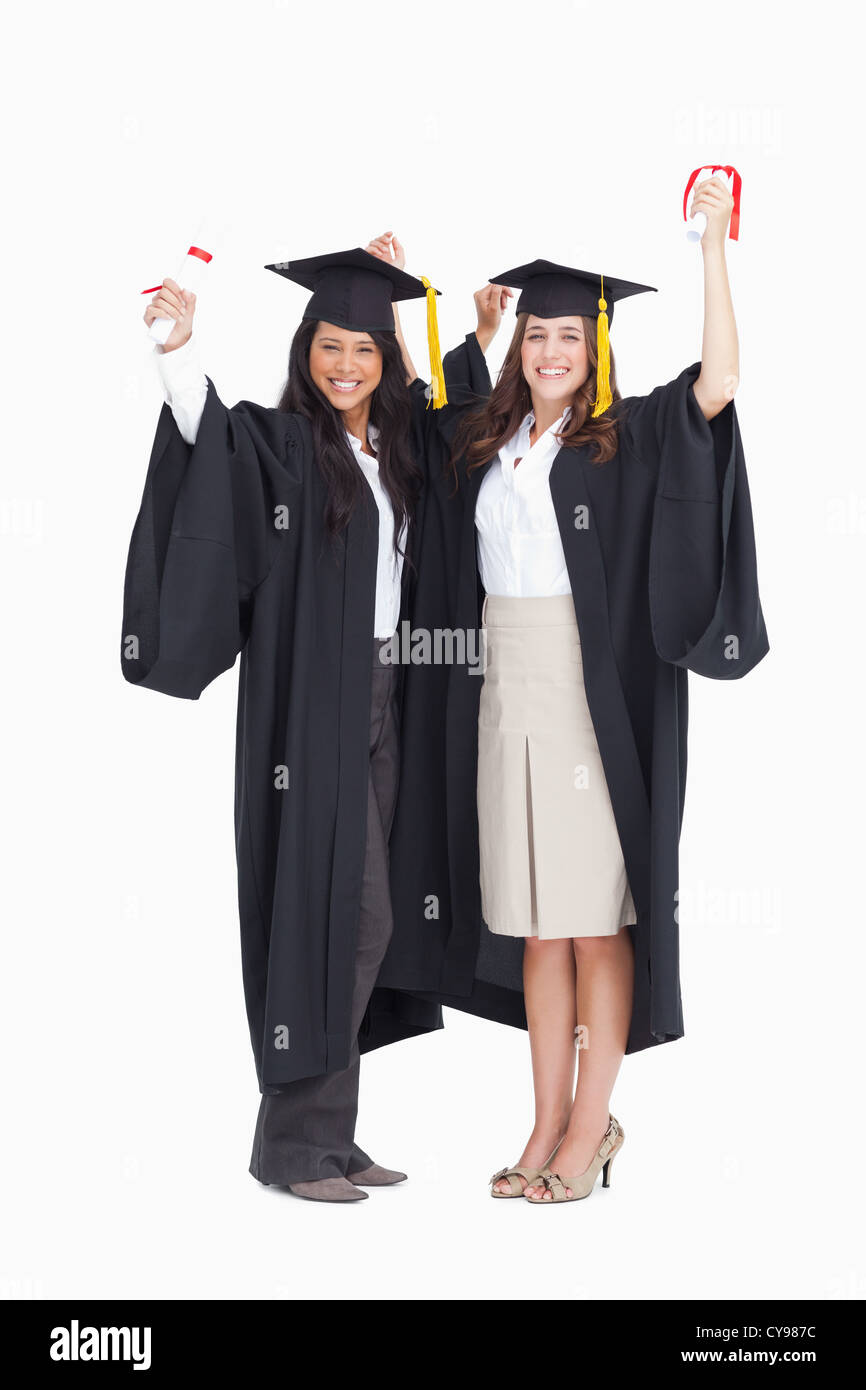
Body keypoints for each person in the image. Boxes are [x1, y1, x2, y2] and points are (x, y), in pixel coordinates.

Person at [370, 178, 770, 1204]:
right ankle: (543, 1119)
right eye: (536, 335)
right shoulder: (487, 448)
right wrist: (398, 304)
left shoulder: (623, 437)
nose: (550, 351)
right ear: (519, 347)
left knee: (597, 918)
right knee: (536, 924)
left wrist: (711, 246)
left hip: (586, 696)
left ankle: (591, 1127)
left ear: (593, 348)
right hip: (501, 694)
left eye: (567, 337)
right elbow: (404, 421)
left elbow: (717, 385)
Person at [121, 241, 450, 1202]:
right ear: (306, 348)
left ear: (386, 362)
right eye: (330, 347)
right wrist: (179, 352)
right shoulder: (280, 443)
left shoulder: (397, 450)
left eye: (366, 350)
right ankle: (292, 1144)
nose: (345, 367)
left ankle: (330, 1136)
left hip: (395, 695)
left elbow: (445, 426)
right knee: (344, 913)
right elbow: (207, 435)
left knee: (365, 921)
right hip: (316, 710)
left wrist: (411, 288)